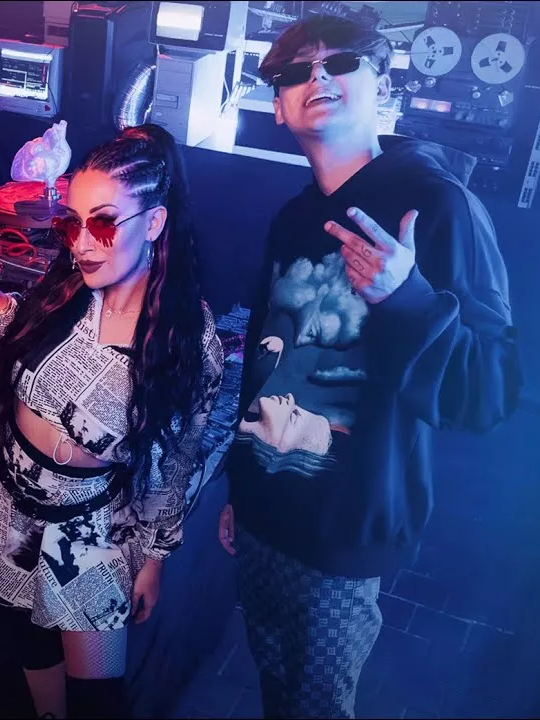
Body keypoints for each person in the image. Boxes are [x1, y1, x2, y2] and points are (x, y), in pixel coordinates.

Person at [218, 14, 521, 718]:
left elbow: (491, 391)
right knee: (276, 693)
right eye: (296, 72)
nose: (317, 78)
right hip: (264, 511)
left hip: (343, 533)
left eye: (340, 63)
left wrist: (407, 297)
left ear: (382, 84)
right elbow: (266, 365)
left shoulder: (439, 205)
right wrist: (241, 486)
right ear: (278, 106)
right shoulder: (295, 216)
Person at [0, 124, 225, 719]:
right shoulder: (68, 288)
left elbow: (178, 461)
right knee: (29, 642)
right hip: (8, 497)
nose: (81, 243)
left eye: (102, 223)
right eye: (70, 224)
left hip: (89, 527)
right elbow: (26, 342)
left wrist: (153, 559)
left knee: (98, 700)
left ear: (153, 223)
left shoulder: (186, 337)